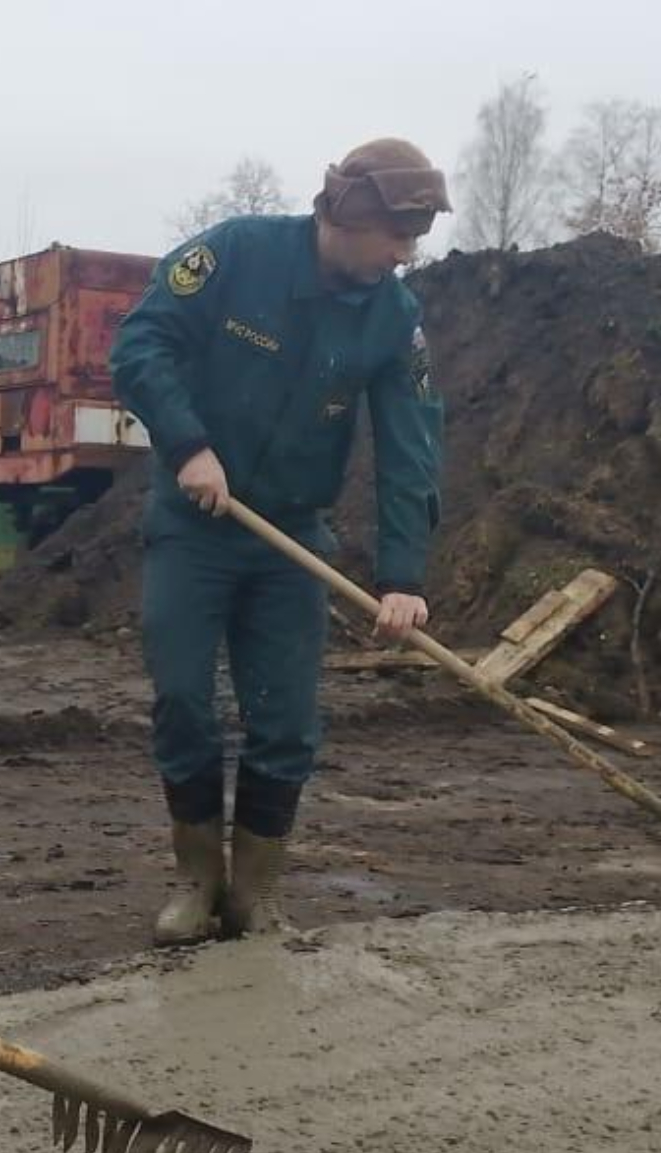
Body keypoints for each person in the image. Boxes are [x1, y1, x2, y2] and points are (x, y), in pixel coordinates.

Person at [110, 137, 449, 945]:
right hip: (193, 526)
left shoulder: (393, 316)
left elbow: (410, 445)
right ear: (350, 214)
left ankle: (254, 894)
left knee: (285, 720)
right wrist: (188, 443)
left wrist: (402, 574)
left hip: (290, 536)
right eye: (397, 235)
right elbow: (139, 345)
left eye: (415, 239)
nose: (405, 255)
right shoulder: (232, 256)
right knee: (184, 700)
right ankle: (198, 880)